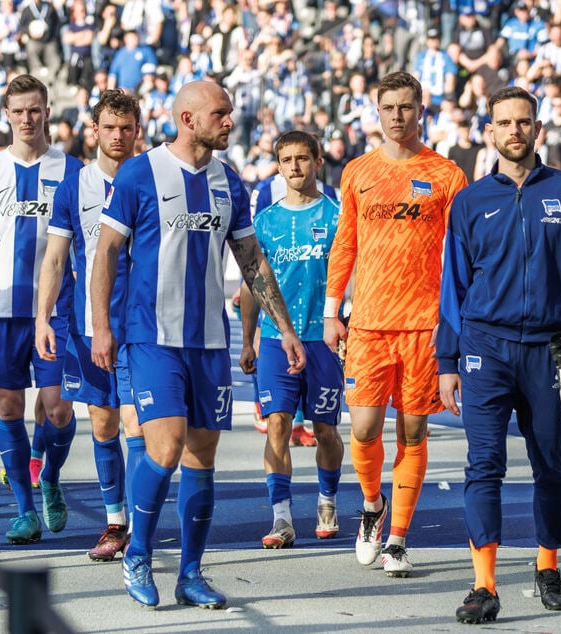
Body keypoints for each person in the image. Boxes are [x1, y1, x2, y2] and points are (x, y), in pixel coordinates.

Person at [91, 81, 306, 609]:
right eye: (221, 113)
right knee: (163, 449)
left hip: (209, 342)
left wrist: (285, 328)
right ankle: (137, 554)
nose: (230, 121)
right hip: (152, 337)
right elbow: (106, 253)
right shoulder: (142, 172)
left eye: (230, 112)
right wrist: (102, 325)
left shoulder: (228, 181)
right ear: (188, 119)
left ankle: (190, 573)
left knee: (202, 458)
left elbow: (252, 261)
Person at [437, 86, 561, 624]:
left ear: (539, 129)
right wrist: (447, 361)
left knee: (550, 466)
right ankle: (484, 586)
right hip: (484, 350)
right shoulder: (469, 201)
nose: (515, 131)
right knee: (482, 466)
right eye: (504, 123)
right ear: (489, 132)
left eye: (524, 122)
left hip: (550, 349)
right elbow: (453, 286)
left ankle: (548, 567)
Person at [323, 71, 468, 578]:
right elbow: (345, 244)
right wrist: (331, 310)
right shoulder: (358, 172)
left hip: (424, 327)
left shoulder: (447, 175)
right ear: (377, 111)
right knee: (362, 428)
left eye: (407, 107)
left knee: (412, 428)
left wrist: (456, 322)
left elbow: (462, 256)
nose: (398, 116)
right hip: (367, 324)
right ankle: (370, 506)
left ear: (420, 109)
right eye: (389, 108)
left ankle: (400, 539)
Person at [0, 74, 84, 544]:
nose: (26, 119)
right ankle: (24, 510)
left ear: (47, 112)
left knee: (57, 410)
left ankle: (51, 476)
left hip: (57, 309)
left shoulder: (73, 170)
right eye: (18, 111)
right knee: (11, 408)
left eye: (34, 109)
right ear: (6, 116)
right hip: (0, 310)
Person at [36, 89, 143, 562]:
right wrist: (43, 317)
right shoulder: (73, 187)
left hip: (144, 327)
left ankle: (140, 522)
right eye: (109, 128)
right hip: (87, 327)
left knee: (139, 426)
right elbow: (56, 258)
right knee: (103, 424)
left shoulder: (154, 177)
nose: (118, 136)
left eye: (127, 127)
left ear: (137, 130)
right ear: (93, 131)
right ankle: (115, 521)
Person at [238, 130, 345, 549]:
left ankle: (327, 499)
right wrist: (247, 339)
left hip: (322, 341)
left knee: (324, 430)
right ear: (278, 167)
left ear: (318, 161)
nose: (295, 167)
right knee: (277, 424)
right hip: (274, 340)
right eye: (287, 160)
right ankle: (281, 517)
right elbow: (251, 285)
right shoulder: (264, 222)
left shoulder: (336, 217)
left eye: (303, 158)